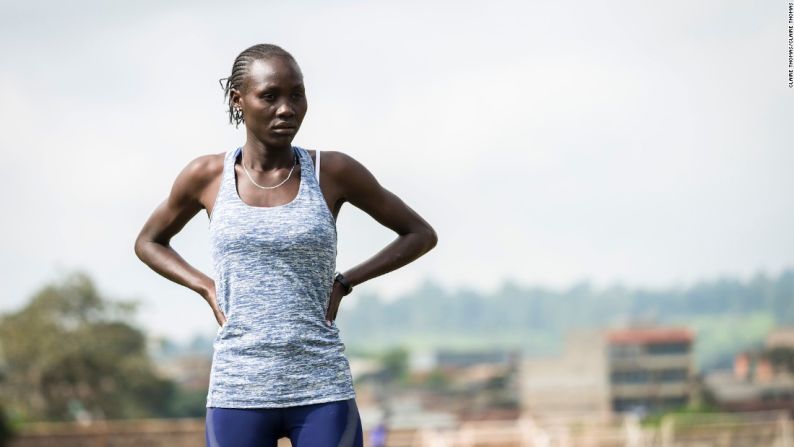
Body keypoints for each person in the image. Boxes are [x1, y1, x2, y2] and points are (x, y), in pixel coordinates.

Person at [133, 43, 438, 447]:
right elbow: (150, 242)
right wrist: (206, 287)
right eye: (270, 96)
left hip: (321, 387)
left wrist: (345, 282)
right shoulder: (206, 176)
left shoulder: (332, 171)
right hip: (238, 386)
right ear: (238, 100)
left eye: (296, 94)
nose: (287, 108)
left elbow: (419, 234)